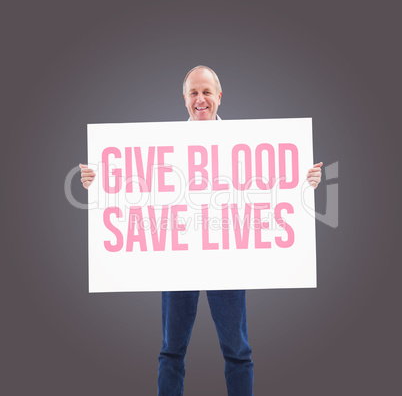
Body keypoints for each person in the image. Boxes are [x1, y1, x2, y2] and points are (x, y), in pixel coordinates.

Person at [79, 65, 323, 395]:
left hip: (228, 257)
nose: (200, 99)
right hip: (177, 258)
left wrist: (304, 181)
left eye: (206, 91)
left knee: (238, 351)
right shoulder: (161, 145)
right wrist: (99, 182)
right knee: (171, 351)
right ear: (183, 99)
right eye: (193, 92)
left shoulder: (245, 144)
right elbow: (137, 187)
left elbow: (270, 184)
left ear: (219, 96)